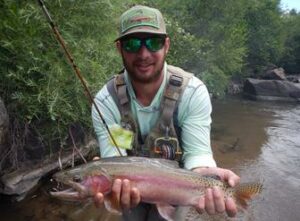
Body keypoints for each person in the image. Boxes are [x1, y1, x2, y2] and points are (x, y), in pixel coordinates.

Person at [91, 5, 240, 221]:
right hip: (131, 187)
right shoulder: (107, 102)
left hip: (174, 186)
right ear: (119, 48)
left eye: (153, 42)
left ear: (167, 45)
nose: (143, 54)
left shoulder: (192, 92)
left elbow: (197, 155)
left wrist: (207, 175)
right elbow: (115, 160)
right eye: (132, 44)